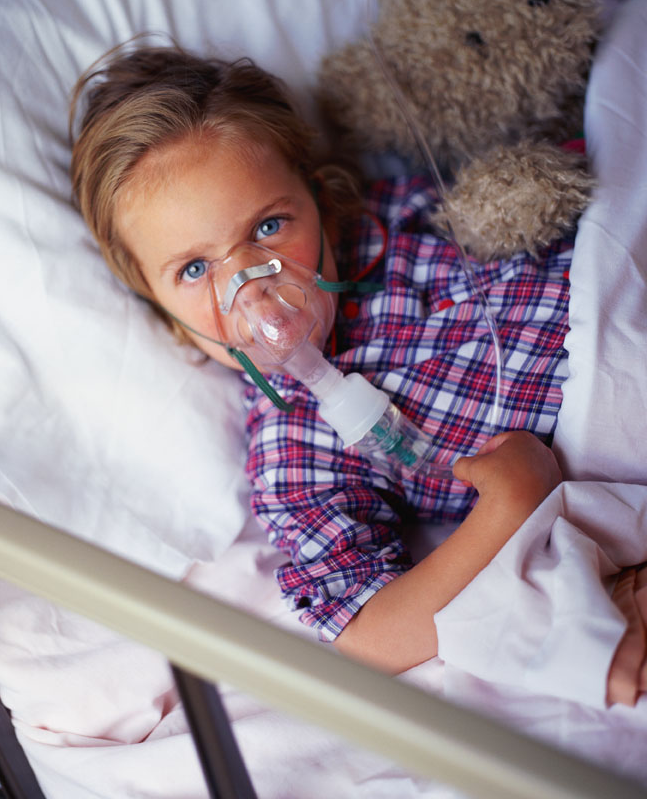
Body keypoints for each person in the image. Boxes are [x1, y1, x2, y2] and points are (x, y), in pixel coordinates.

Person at [68, 43, 566, 674]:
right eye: (195, 269)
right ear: (160, 307)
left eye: (269, 227)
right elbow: (371, 634)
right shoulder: (296, 448)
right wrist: (512, 503)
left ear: (323, 203)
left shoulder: (409, 221)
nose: (251, 285)